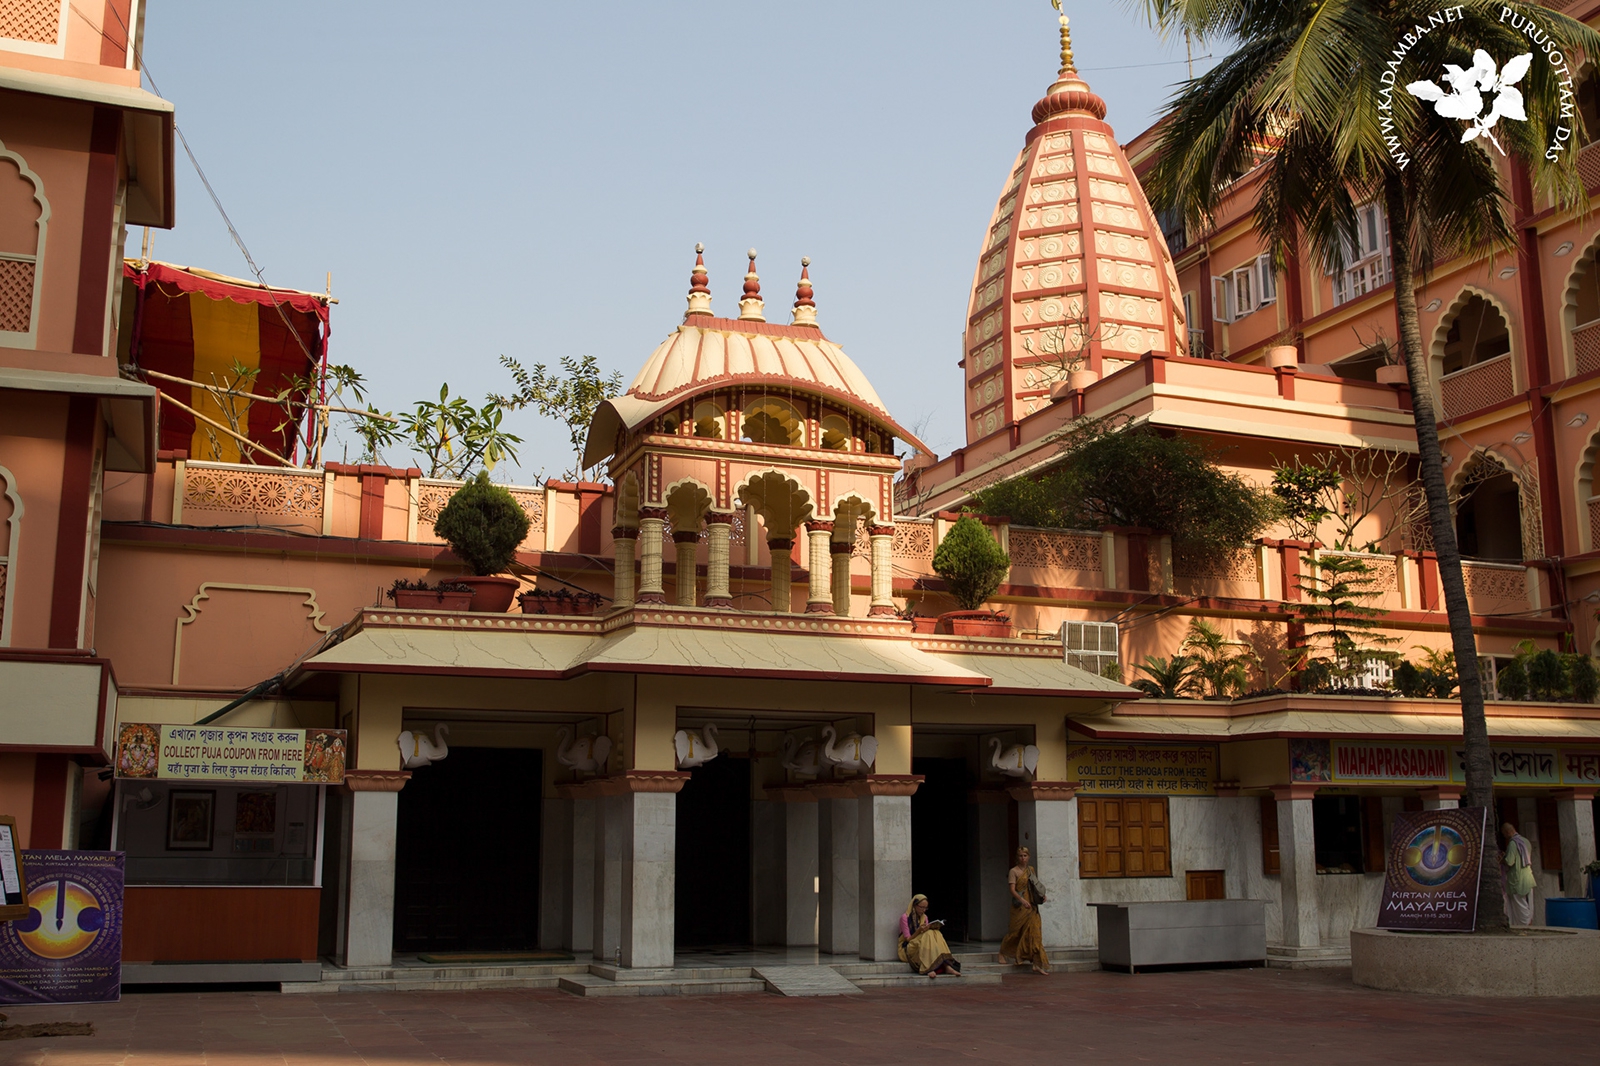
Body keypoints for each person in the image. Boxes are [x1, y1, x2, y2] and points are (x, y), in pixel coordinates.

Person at [997, 846, 1050, 975]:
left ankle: (1037, 963)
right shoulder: (1013, 871)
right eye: (1020, 856)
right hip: (1019, 907)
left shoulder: (1030, 870)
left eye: (1025, 856)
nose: (1023, 858)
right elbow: (1012, 890)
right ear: (1017, 857)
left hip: (1031, 906)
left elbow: (1035, 885)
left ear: (1028, 857)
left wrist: (1041, 896)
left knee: (1035, 933)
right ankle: (1003, 952)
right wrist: (1022, 900)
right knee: (1015, 932)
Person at [899, 894, 961, 977]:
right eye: (921, 907)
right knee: (928, 934)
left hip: (922, 942)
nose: (924, 910)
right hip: (908, 947)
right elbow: (908, 939)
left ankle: (946, 966)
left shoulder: (924, 917)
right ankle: (929, 968)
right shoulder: (905, 918)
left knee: (936, 933)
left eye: (926, 908)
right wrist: (919, 931)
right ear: (915, 905)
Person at [1501, 821, 1535, 927]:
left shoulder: (1513, 843)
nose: (1504, 836)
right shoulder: (1526, 841)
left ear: (1507, 832)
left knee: (1520, 905)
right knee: (1527, 904)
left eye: (1504, 834)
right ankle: (1527, 923)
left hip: (1516, 878)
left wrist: (1502, 859)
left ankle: (1524, 926)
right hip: (1528, 877)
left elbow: (1510, 861)